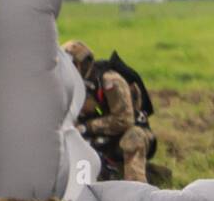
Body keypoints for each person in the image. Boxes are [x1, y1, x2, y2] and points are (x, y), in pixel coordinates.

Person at [62, 40, 156, 183]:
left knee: (133, 137)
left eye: (71, 65)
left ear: (83, 63)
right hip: (96, 139)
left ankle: (136, 190)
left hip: (128, 136)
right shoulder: (71, 87)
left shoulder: (110, 80)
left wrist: (86, 127)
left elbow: (124, 120)